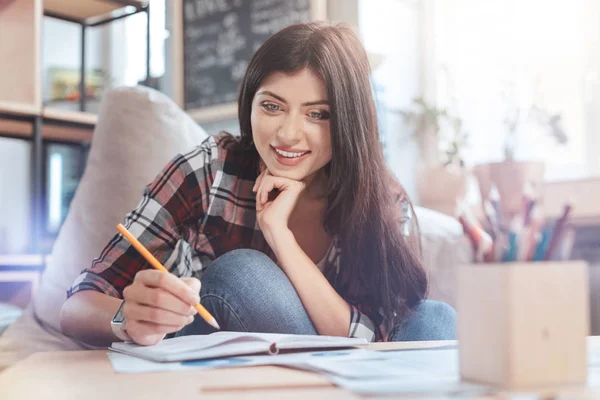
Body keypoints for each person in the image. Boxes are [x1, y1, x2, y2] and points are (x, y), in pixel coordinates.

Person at [59, 22, 456, 347]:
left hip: (349, 380)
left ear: (348, 123)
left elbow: (379, 343)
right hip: (229, 369)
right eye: (271, 106)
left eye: (318, 114)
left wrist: (280, 236)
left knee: (435, 320)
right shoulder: (209, 170)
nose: (288, 134)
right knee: (243, 276)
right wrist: (125, 317)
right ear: (250, 102)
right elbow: (76, 306)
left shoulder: (382, 200)